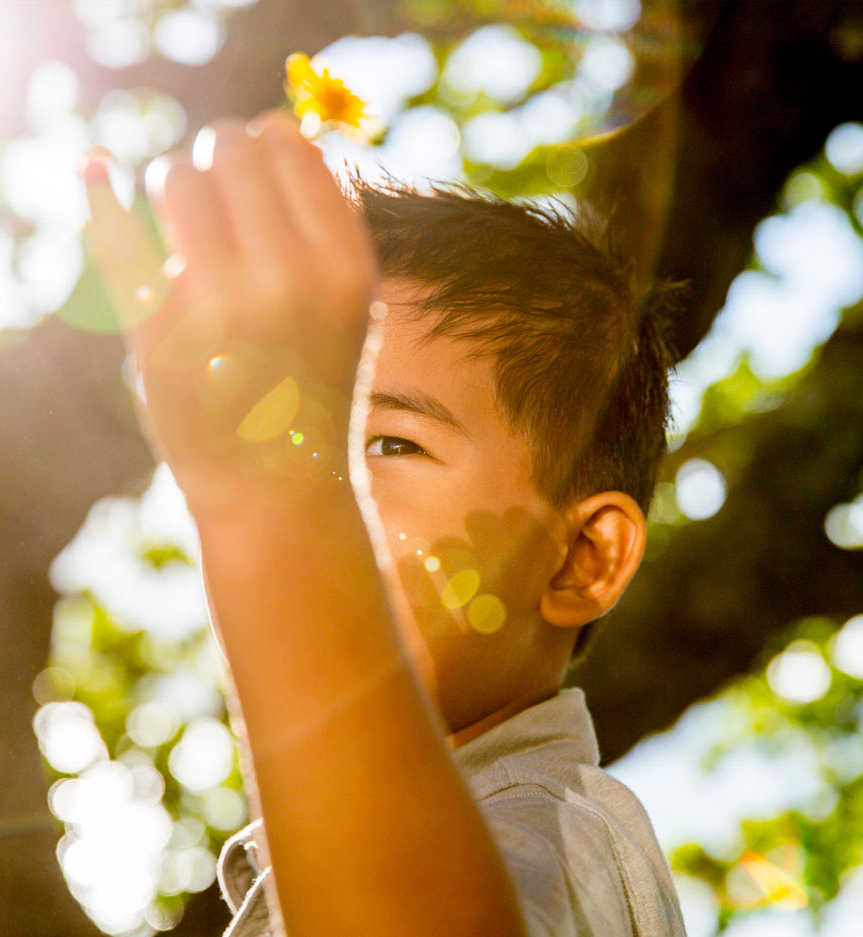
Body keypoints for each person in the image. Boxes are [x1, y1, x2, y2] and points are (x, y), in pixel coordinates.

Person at [83, 108, 686, 937]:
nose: (326, 486)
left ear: (579, 559)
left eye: (388, 441)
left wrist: (273, 511)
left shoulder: (554, 824)